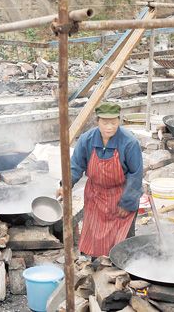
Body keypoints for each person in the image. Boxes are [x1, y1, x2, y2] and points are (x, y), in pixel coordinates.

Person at [57, 102, 143, 257]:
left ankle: (123, 272)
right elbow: (75, 166)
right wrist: (65, 185)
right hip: (95, 197)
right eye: (105, 122)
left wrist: (127, 203)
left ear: (119, 121)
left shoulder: (129, 142)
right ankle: (95, 268)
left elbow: (135, 175)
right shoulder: (87, 140)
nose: (109, 127)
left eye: (113, 122)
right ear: (97, 121)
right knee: (95, 243)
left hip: (121, 197)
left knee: (123, 245)